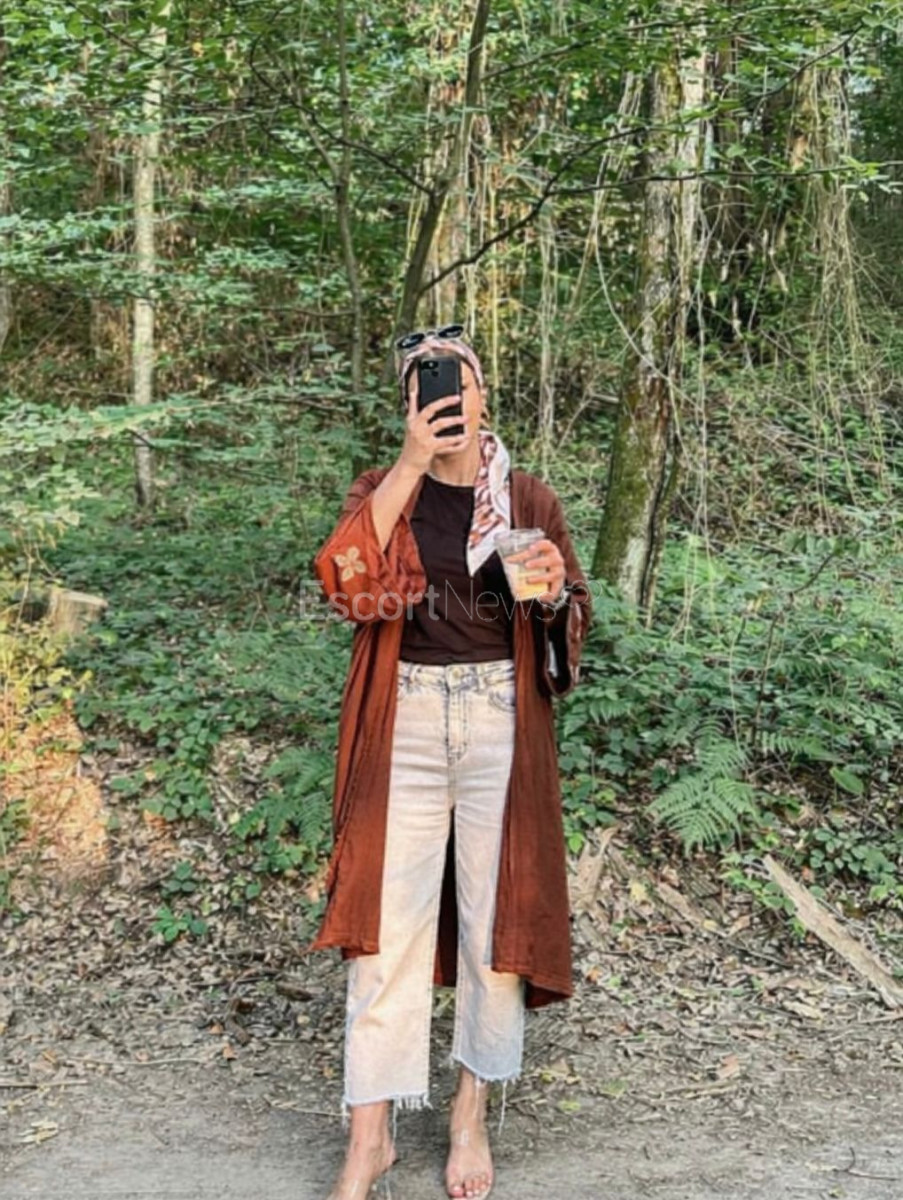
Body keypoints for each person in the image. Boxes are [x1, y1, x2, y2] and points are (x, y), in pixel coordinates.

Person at [308, 326, 592, 1200]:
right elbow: (347, 579)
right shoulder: (381, 490)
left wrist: (553, 594)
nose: (444, 400)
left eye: (457, 383)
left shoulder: (529, 497)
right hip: (405, 718)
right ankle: (370, 1138)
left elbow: (571, 621)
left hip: (500, 718)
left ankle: (469, 1117)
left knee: (494, 926)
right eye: (424, 388)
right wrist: (408, 462)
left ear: (483, 397)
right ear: (407, 406)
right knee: (383, 932)